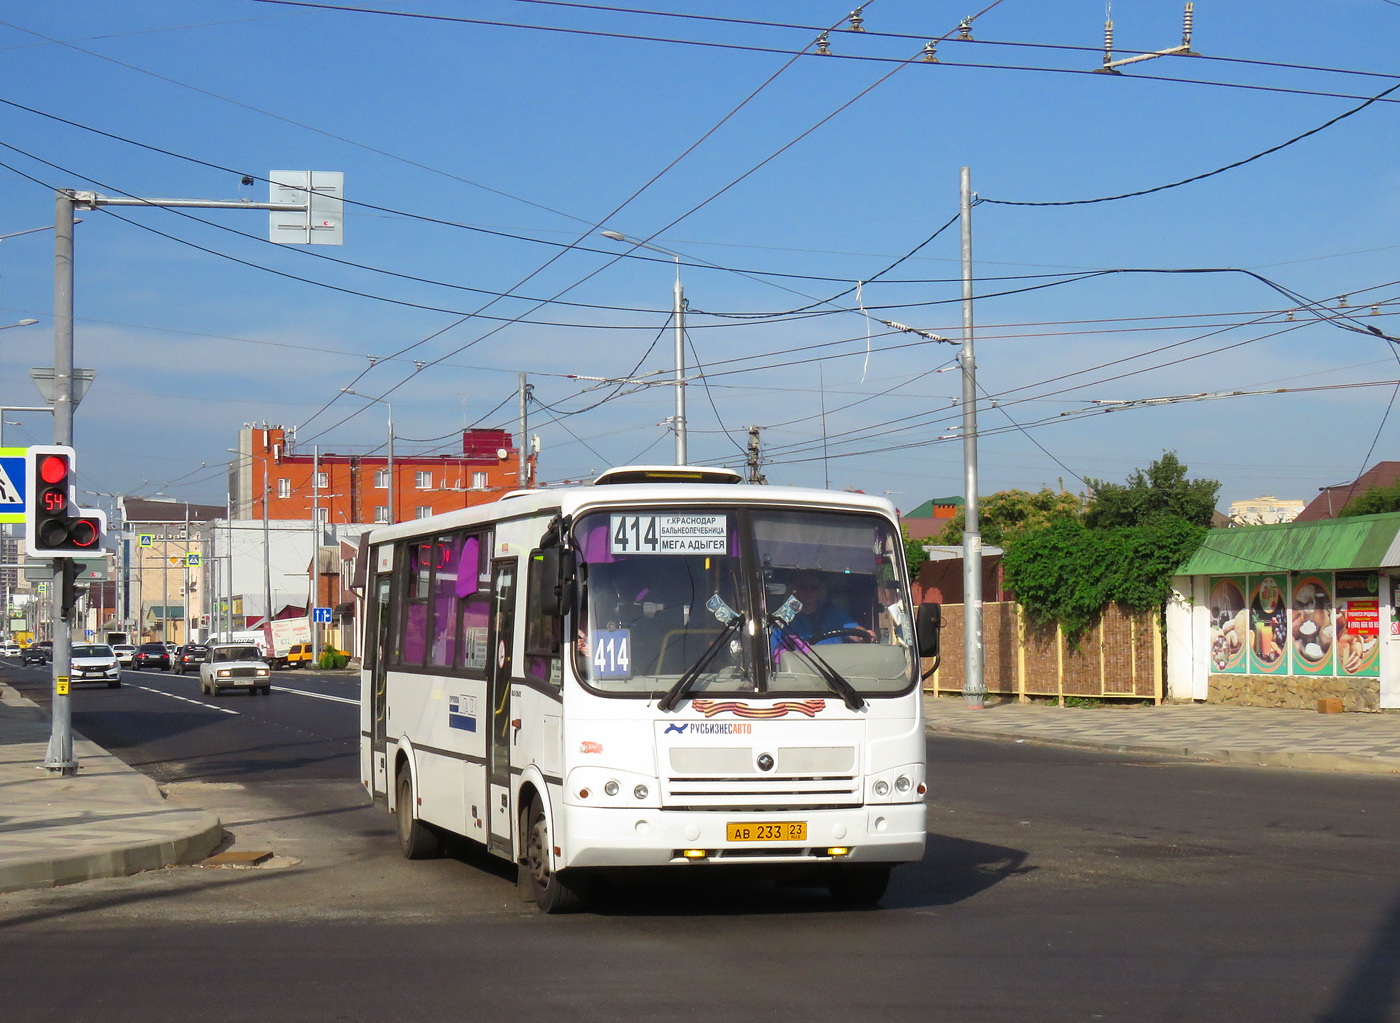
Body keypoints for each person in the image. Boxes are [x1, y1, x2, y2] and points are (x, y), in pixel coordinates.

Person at [772, 572, 869, 656]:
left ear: (819, 591)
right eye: (803, 587)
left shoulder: (833, 612)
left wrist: (865, 634)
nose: (808, 591)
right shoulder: (783, 618)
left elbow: (854, 631)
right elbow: (773, 652)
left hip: (836, 672)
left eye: (813, 588)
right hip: (801, 673)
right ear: (794, 590)